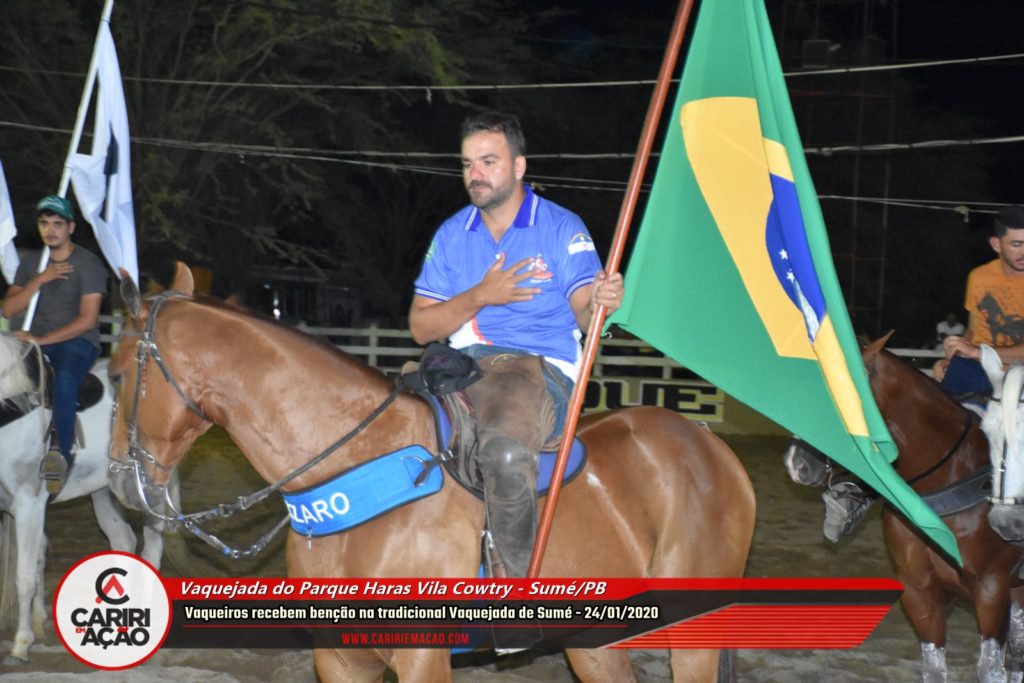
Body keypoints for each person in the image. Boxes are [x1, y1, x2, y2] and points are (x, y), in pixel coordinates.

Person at [408, 111, 624, 577]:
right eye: (468, 164)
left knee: (504, 452)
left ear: (519, 166)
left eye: (488, 162)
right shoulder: (452, 234)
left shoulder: (562, 227)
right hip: (462, 368)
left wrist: (601, 304)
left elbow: (585, 314)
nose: (475, 174)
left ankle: (516, 592)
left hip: (539, 371)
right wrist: (481, 295)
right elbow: (420, 328)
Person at [2, 195, 108, 496]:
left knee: (63, 382)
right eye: (44, 223)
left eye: (58, 224)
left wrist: (41, 341)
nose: (50, 230)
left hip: (77, 343)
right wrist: (39, 280)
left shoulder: (88, 264)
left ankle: (61, 453)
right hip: (34, 342)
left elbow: (88, 320)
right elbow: (8, 310)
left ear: (71, 227)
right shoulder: (31, 264)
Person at [934, 205, 1024, 396]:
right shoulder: (979, 277)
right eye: (1017, 245)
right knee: (934, 405)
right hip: (978, 368)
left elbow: (975, 349)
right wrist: (954, 357)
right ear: (996, 244)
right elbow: (974, 330)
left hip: (1018, 371)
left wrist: (977, 352)